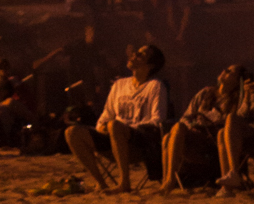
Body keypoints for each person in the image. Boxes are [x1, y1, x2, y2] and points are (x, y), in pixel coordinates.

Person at [65, 42, 169, 193]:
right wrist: (102, 126)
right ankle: (101, 183)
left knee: (115, 125)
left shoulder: (155, 86)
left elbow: (157, 120)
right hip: (112, 138)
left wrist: (125, 128)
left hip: (138, 142)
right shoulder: (119, 85)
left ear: (150, 65)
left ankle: (124, 182)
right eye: (135, 52)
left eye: (141, 55)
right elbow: (107, 114)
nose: (134, 55)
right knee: (72, 132)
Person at [160, 65, 242, 193]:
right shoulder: (206, 93)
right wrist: (192, 124)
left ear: (237, 81)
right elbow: (186, 116)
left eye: (230, 72)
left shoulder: (236, 100)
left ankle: (169, 182)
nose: (224, 71)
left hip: (212, 143)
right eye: (225, 69)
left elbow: (235, 123)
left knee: (172, 134)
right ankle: (168, 180)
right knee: (173, 131)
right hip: (194, 136)